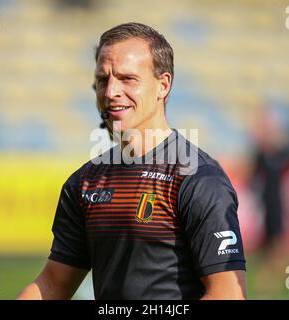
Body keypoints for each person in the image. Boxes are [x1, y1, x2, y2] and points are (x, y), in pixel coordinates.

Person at [16, 22, 246, 300]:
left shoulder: (198, 178)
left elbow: (228, 294)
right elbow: (52, 285)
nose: (110, 92)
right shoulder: (85, 182)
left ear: (163, 85)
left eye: (127, 79)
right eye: (103, 80)